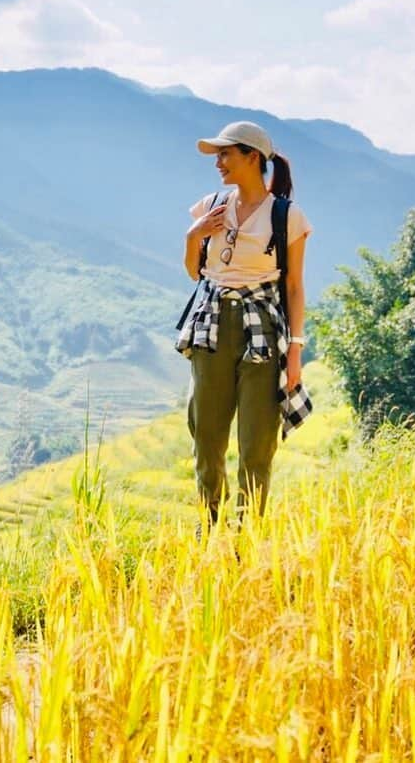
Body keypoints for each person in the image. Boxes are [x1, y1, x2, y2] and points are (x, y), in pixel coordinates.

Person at [176, 120, 313, 530]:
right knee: (207, 439)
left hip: (263, 332)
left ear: (252, 158)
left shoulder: (287, 217)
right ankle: (207, 527)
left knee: (257, 445)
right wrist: (193, 236)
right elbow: (194, 273)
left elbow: (294, 288)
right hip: (213, 326)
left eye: (226, 154)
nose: (218, 162)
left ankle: (245, 538)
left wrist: (295, 355)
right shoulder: (210, 206)